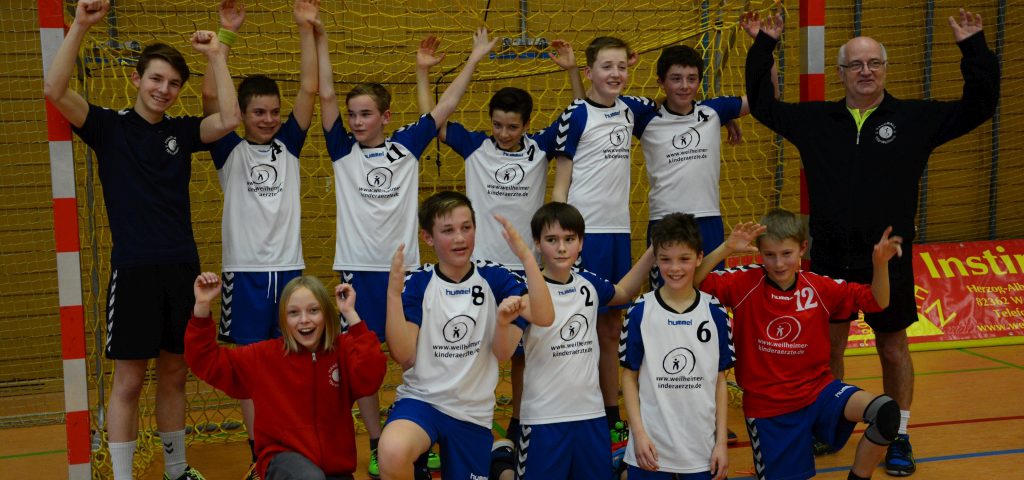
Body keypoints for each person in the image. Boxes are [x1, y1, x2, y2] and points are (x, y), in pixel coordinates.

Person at [742, 7, 1000, 475]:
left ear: (885, 69)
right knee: (828, 350)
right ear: (841, 73)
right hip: (830, 257)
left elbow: (980, 105)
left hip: (888, 259)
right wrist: (765, 45)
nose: (865, 71)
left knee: (893, 349)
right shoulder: (816, 121)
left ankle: (898, 435)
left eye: (874, 63)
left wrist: (973, 47)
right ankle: (830, 425)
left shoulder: (916, 119)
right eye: (856, 64)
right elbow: (762, 105)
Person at [43, 1, 241, 479]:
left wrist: (218, 53)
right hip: (134, 272)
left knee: (175, 374)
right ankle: (124, 476)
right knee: (129, 381)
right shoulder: (108, 127)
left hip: (181, 269)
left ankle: (176, 470)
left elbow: (230, 119)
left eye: (173, 83)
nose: (163, 90)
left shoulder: (182, 132)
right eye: (156, 79)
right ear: (136, 79)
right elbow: (55, 89)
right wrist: (81, 25)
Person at [316, 24, 497, 479]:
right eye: (352, 115)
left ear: (385, 116)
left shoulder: (406, 147)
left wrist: (473, 59)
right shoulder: (341, 150)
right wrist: (319, 37)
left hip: (405, 273)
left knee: (412, 355)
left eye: (365, 114)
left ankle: (421, 428)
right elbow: (325, 95)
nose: (356, 122)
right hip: (357, 271)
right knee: (362, 364)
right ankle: (378, 440)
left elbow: (446, 106)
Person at [414, 36, 586, 444]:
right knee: (474, 350)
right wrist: (426, 71)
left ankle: (520, 420)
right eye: (497, 125)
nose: (503, 133)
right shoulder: (475, 146)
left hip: (524, 271)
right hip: (481, 272)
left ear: (527, 125)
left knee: (524, 354)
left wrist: (572, 72)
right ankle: (468, 420)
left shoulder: (540, 149)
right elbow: (431, 121)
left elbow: (581, 116)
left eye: (512, 127)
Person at [696, 209, 905, 480]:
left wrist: (880, 264)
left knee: (885, 413)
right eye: (769, 255)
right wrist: (726, 248)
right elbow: (692, 283)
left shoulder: (819, 287)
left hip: (819, 393)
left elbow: (878, 301)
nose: (779, 263)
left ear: (802, 248)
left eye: (787, 253)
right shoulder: (743, 282)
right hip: (769, 408)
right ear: (760, 253)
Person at [200, 1, 318, 474]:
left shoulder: (290, 144)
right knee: (251, 368)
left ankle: (296, 445)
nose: (268, 119)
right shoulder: (228, 148)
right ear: (244, 114)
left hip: (289, 272)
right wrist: (224, 38)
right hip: (245, 275)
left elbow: (309, 87)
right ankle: (259, 456)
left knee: (296, 362)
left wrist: (305, 29)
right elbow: (211, 97)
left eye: (273, 112)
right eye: (258, 113)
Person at [377, 191, 555, 480]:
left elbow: (545, 316)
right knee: (392, 451)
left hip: (472, 413)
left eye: (466, 227)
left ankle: (496, 455)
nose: (460, 238)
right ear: (428, 237)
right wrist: (393, 295)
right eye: (448, 230)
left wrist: (526, 256)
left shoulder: (494, 278)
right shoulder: (419, 282)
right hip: (423, 401)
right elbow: (403, 353)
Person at [486, 202, 652, 480]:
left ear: (581, 243)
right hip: (544, 421)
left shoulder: (588, 283)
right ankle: (500, 459)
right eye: (552, 240)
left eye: (569, 239)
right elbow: (503, 353)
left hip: (591, 416)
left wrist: (652, 251)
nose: (561, 248)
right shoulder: (526, 291)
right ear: (537, 243)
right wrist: (502, 323)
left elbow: (623, 292)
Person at [549, 36, 653, 440]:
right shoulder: (573, 114)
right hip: (584, 235)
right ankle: (575, 408)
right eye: (606, 66)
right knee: (576, 326)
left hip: (618, 235)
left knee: (611, 328)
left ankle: (610, 413)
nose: (616, 74)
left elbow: (680, 110)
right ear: (590, 70)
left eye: (622, 66)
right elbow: (561, 182)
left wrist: (726, 120)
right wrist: (560, 239)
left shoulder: (632, 110)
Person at [186, 273, 387, 480]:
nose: (304, 320)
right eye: (293, 313)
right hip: (283, 460)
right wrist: (202, 305)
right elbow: (205, 361)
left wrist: (350, 314)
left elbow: (371, 376)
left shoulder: (342, 350)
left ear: (326, 314)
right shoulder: (264, 356)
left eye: (314, 310)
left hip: (335, 468)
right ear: (283, 319)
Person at [636, 41, 776, 282]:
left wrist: (766, 46)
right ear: (661, 82)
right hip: (665, 221)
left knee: (711, 291)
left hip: (708, 219)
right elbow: (599, 110)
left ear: (699, 81)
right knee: (667, 293)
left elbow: (768, 97)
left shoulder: (713, 111)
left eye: (691, 79)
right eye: (676, 79)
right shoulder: (646, 118)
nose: (684, 86)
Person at [618, 213, 733, 480]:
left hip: (702, 450)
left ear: (699, 257)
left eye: (684, 259)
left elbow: (720, 381)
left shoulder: (715, 311)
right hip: (650, 448)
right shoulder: (640, 310)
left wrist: (721, 443)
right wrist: (638, 434)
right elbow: (629, 377)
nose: (675, 268)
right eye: (666, 259)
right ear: (655, 260)